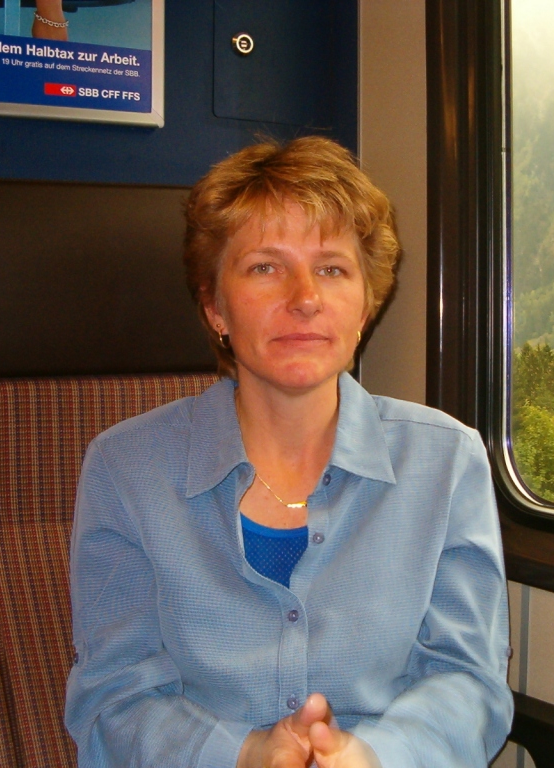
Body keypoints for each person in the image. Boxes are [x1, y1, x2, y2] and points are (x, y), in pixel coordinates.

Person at [64, 136, 513, 767]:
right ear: (214, 306)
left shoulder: (446, 462)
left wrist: (375, 756)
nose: (304, 298)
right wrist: (242, 755)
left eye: (332, 269)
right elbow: (114, 697)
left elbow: (469, 679)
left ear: (366, 304)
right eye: (264, 267)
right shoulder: (126, 468)